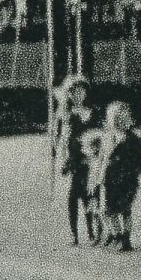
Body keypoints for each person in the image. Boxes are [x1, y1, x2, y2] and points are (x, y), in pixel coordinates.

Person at [87, 99, 141, 252]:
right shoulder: (107, 138)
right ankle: (117, 236)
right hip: (107, 180)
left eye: (123, 118)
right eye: (115, 118)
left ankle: (125, 239)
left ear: (129, 120)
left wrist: (132, 172)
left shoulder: (134, 140)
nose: (119, 121)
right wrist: (96, 178)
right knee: (106, 210)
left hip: (126, 181)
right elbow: (101, 159)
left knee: (124, 210)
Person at [49, 73, 100, 245]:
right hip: (72, 160)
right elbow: (57, 138)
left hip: (90, 160)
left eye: (81, 91)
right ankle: (74, 234)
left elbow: (99, 135)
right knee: (72, 195)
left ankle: (92, 231)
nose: (78, 94)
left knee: (90, 195)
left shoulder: (93, 112)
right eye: (74, 91)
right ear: (69, 94)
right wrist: (62, 157)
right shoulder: (64, 115)